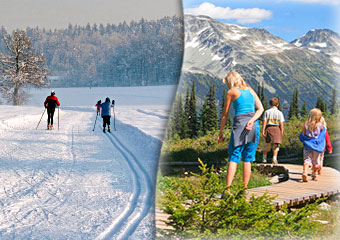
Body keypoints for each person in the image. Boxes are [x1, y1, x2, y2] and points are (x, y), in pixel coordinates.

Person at [218, 72, 264, 189]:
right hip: (254, 125)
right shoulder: (250, 90)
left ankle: (227, 189)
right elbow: (261, 109)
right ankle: (244, 189)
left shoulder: (232, 91)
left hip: (240, 124)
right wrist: (252, 121)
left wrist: (221, 132)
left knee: (234, 156)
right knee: (247, 158)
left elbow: (225, 114)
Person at [299, 108, 325, 182]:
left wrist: (304, 140)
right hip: (316, 146)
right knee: (315, 161)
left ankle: (305, 172)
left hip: (307, 145)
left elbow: (302, 135)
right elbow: (322, 136)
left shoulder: (306, 125)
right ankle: (314, 174)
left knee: (307, 160)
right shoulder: (320, 125)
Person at [262, 97, 285, 164]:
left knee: (266, 144)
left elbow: (264, 121)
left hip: (268, 128)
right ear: (277, 104)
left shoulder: (267, 112)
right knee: (276, 145)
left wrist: (263, 130)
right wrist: (281, 132)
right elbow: (281, 123)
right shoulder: (280, 113)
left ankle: (264, 158)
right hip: (277, 129)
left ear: (270, 104)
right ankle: (274, 159)